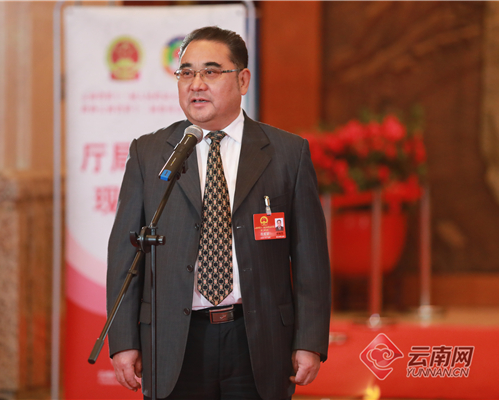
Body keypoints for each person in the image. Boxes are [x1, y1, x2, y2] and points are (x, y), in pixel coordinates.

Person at [106, 26, 331, 400]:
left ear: (242, 80)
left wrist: (309, 340)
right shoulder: (150, 154)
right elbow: (126, 255)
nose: (196, 84)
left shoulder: (287, 154)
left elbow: (311, 260)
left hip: (257, 340)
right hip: (173, 340)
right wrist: (124, 340)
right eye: (186, 73)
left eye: (210, 72)